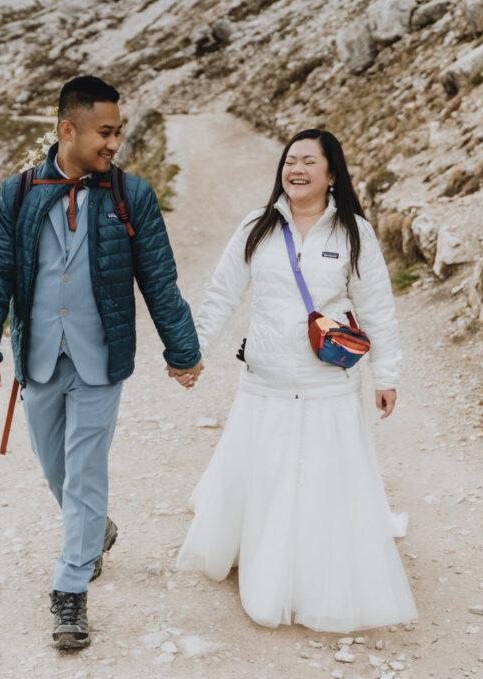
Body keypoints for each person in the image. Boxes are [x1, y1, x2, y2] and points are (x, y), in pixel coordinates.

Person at [0, 75, 203, 650]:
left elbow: (159, 280)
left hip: (102, 360)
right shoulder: (17, 193)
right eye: (104, 131)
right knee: (56, 470)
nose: (113, 143)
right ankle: (96, 531)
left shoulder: (132, 195)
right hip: (40, 360)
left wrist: (183, 349)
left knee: (86, 469)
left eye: (117, 132)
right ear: (67, 130)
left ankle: (70, 591)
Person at [175, 129, 417, 633]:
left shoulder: (354, 233)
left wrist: (385, 376)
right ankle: (261, 558)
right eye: (290, 161)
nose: (296, 170)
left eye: (309, 161)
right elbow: (221, 295)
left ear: (332, 174)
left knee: (319, 487)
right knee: (267, 482)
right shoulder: (255, 227)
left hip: (328, 385)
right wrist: (191, 353)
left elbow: (377, 310)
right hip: (265, 385)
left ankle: (311, 576)